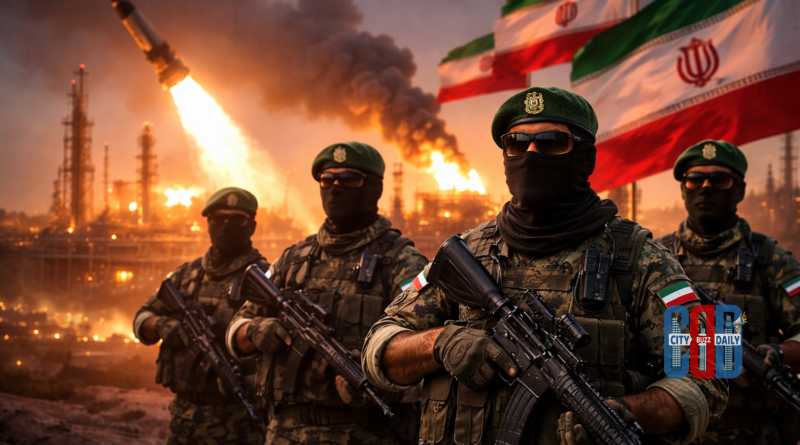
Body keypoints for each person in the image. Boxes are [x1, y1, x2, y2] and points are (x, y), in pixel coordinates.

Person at [362, 87, 729, 445]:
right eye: (517, 143)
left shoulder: (643, 258)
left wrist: (628, 412)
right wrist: (438, 342)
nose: (531, 154)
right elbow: (380, 345)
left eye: (552, 142)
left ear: (585, 156)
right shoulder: (466, 253)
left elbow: (713, 372)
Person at [226, 142, 429, 445]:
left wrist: (380, 380)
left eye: (349, 180)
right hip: (284, 432)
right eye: (327, 179)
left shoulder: (403, 262)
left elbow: (428, 352)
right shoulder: (293, 258)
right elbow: (236, 328)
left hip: (366, 434)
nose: (335, 188)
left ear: (374, 187)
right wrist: (255, 329)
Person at [655, 140, 800, 445]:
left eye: (719, 179)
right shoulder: (655, 258)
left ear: (740, 189)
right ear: (683, 189)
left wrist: (779, 353)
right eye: (695, 179)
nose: (706, 187)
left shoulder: (769, 260)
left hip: (754, 432)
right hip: (672, 433)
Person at [132, 187, 267, 445]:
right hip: (184, 416)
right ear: (207, 224)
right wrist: (160, 325)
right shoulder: (185, 276)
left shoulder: (265, 280)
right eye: (218, 218)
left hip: (238, 418)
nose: (226, 226)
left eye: (237, 219)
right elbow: (141, 319)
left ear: (252, 226)